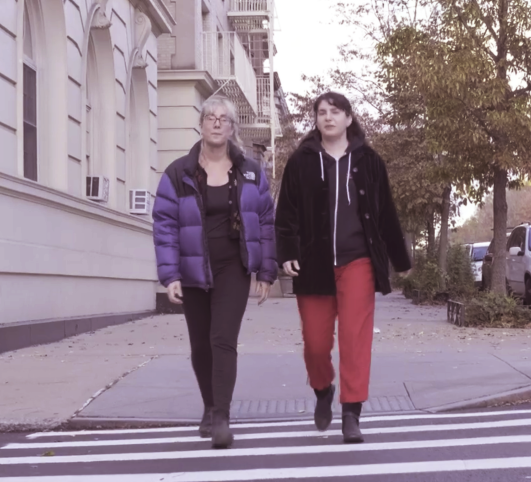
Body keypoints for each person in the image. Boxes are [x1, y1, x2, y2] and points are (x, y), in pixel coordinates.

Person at [275, 91, 411, 443]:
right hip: (313, 264)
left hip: (358, 262)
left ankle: (352, 413)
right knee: (316, 345)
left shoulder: (369, 161)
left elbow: (386, 213)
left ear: (349, 118)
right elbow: (286, 213)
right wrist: (286, 251)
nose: (328, 117)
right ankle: (323, 388)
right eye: (321, 112)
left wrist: (401, 260)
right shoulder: (302, 160)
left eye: (335, 112)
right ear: (316, 120)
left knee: (355, 339)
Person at [152, 96, 277, 449]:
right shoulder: (178, 172)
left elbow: (266, 221)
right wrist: (170, 275)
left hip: (232, 267)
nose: (217, 123)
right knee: (200, 345)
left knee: (223, 340)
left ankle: (221, 416)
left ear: (232, 127)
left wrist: (266, 270)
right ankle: (208, 405)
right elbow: (164, 224)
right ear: (201, 124)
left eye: (224, 118)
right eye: (211, 117)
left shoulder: (251, 171)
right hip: (192, 268)